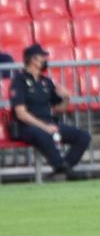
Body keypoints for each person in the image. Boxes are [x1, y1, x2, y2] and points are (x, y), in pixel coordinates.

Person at [8, 44, 90, 182]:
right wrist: (44, 127)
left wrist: (66, 98)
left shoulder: (46, 81)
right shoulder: (19, 81)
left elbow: (59, 109)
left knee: (83, 136)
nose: (45, 60)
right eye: (42, 58)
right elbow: (21, 113)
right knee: (44, 135)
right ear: (32, 60)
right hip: (27, 126)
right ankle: (62, 169)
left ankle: (64, 168)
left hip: (49, 123)